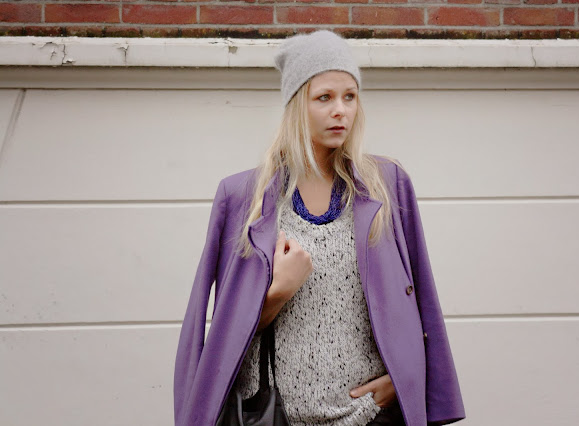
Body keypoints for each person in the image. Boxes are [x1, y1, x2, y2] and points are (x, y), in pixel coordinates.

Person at [174, 30, 465, 426]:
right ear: (297, 104)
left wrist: (405, 381)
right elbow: (222, 331)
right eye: (324, 97)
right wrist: (277, 294)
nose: (340, 110)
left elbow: (422, 302)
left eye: (350, 96)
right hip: (274, 418)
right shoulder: (242, 196)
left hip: (369, 416)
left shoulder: (387, 184)